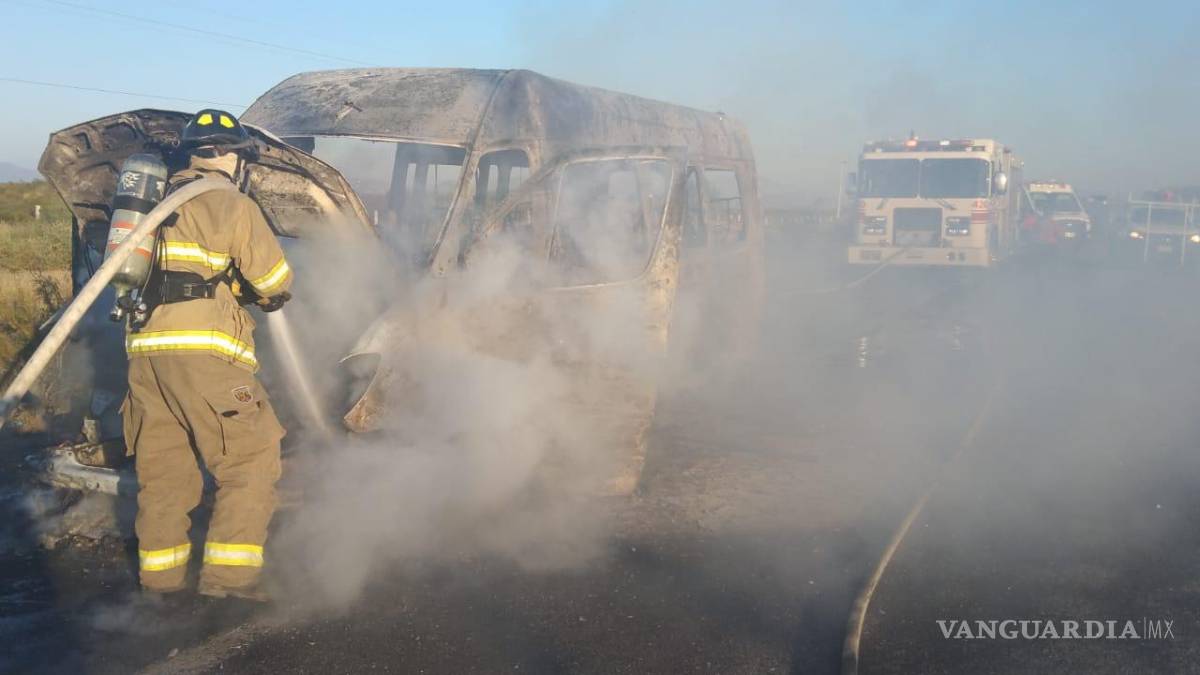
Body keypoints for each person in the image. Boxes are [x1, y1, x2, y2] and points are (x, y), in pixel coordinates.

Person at [121, 109, 292, 601]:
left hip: (146, 355)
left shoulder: (154, 200)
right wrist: (256, 292)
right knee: (251, 458)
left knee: (164, 472)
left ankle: (160, 586)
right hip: (205, 354)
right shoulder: (230, 203)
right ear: (233, 157)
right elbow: (275, 282)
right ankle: (229, 583)